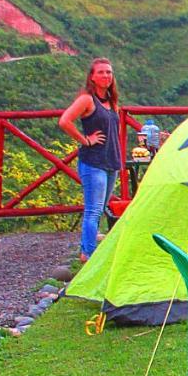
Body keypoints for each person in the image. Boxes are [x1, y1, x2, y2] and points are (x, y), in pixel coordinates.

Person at [59, 58, 124, 262]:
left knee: (101, 206)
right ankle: (88, 254)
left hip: (110, 160)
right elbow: (65, 121)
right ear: (92, 77)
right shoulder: (87, 99)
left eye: (109, 72)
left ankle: (88, 243)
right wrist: (86, 140)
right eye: (102, 72)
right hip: (93, 161)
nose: (106, 76)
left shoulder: (112, 101)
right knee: (94, 210)